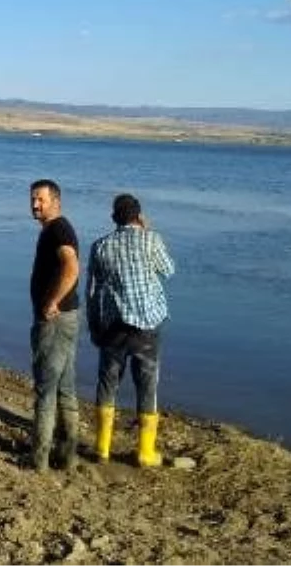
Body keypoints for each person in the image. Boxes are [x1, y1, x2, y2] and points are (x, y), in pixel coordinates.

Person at [86, 194, 177, 468]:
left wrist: (94, 326)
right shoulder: (151, 238)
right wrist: (147, 231)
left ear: (114, 218)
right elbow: (169, 270)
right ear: (139, 216)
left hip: (113, 327)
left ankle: (102, 449)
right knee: (147, 384)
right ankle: (145, 453)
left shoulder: (100, 246)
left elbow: (92, 292)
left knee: (107, 383)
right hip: (148, 326)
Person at [27, 179, 81, 471]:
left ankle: (39, 461)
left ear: (55, 201)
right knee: (65, 388)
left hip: (56, 321)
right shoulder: (55, 229)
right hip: (69, 318)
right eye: (33, 199)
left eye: (41, 200)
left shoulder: (59, 229)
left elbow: (71, 267)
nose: (35, 205)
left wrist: (52, 302)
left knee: (46, 390)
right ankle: (69, 457)